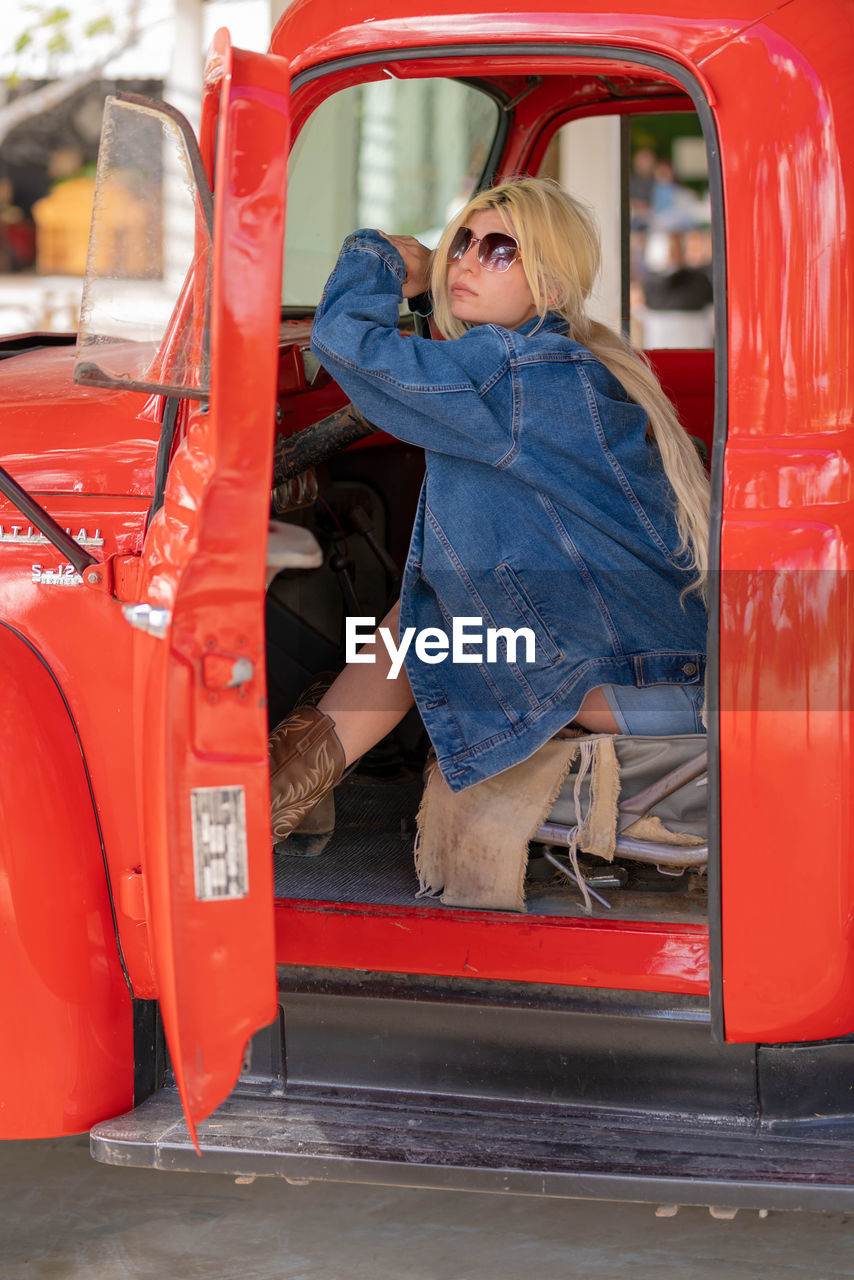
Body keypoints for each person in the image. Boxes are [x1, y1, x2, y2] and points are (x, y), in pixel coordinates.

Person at [269, 177, 710, 842]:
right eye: (461, 244)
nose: (469, 260)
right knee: (425, 615)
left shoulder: (510, 371)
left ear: (551, 287)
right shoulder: (555, 361)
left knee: (429, 627)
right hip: (663, 661)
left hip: (640, 683)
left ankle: (273, 800)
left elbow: (345, 343)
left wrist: (381, 257)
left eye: (501, 250)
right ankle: (285, 796)